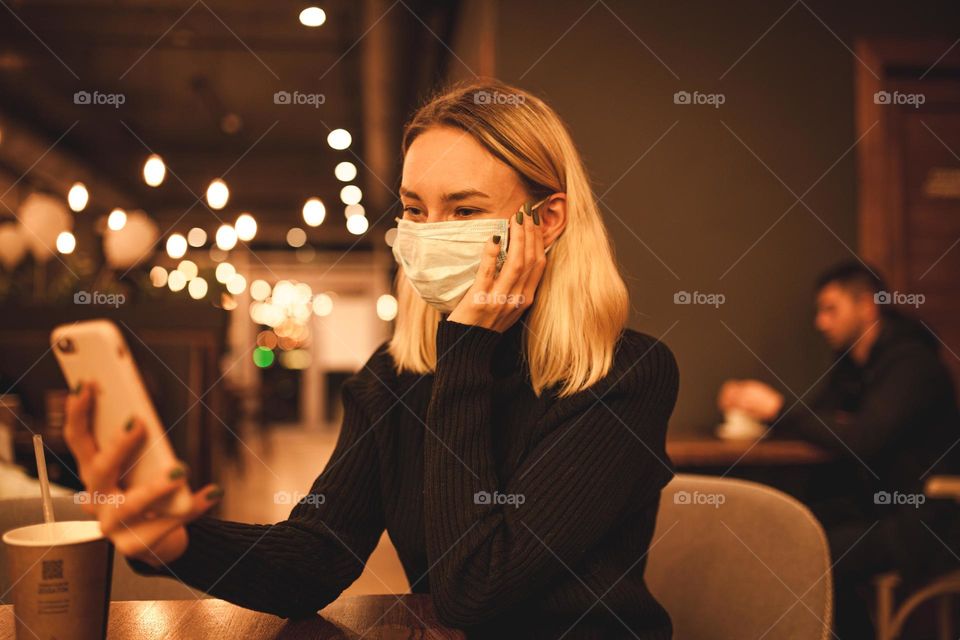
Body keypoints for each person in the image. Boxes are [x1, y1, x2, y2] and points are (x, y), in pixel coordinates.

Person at [63, 80, 680, 639]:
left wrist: (465, 350)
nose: (430, 234)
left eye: (464, 211)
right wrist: (177, 543)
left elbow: (474, 590)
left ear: (546, 221)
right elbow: (317, 556)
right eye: (415, 209)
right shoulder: (396, 377)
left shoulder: (625, 377)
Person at [718, 261, 960, 638]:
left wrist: (776, 409)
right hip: (878, 506)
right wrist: (760, 410)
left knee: (812, 551)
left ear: (867, 306)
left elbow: (862, 438)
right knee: (789, 532)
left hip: (929, 516)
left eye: (831, 309)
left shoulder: (912, 363)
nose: (820, 322)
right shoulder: (852, 367)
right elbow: (822, 423)